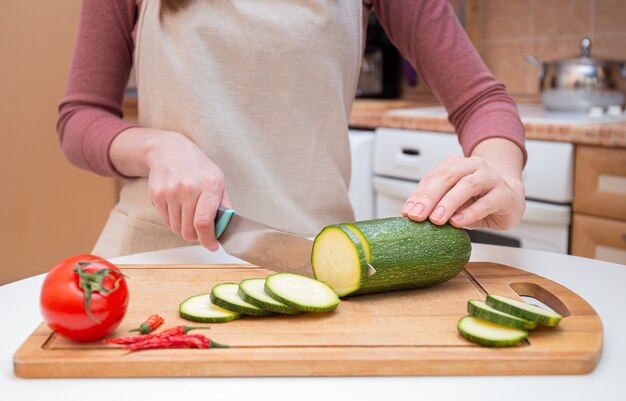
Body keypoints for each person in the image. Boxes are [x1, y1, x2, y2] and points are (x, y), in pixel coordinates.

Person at [57, 0, 526, 259]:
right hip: (156, 253)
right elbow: (80, 116)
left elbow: (481, 101)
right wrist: (158, 147)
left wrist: (502, 177)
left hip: (312, 258)